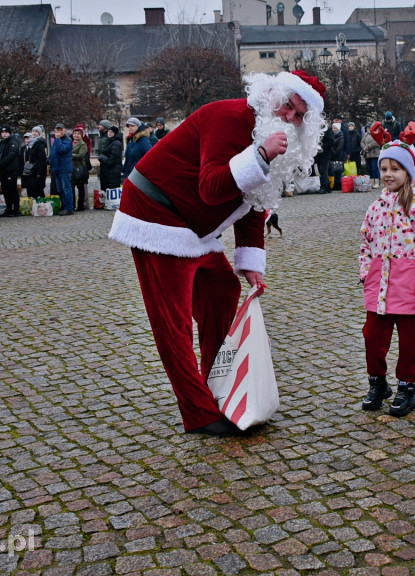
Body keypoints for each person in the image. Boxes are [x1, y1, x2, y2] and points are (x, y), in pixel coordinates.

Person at [108, 70, 326, 437]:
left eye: (299, 115)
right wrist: (260, 155)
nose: (290, 117)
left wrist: (251, 261)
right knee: (172, 321)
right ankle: (199, 413)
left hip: (194, 225)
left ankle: (219, 385)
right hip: (156, 213)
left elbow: (256, 201)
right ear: (273, 93)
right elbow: (211, 188)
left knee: (223, 289)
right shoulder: (229, 117)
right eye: (288, 105)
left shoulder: (267, 135)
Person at [358, 140, 415, 417]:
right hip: (379, 286)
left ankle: (407, 387)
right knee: (372, 337)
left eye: (395, 168)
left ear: (408, 171)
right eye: (384, 168)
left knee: (409, 343)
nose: (388, 174)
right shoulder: (375, 208)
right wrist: (366, 272)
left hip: (410, 288)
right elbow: (366, 242)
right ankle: (377, 382)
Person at [0, 125, 22, 217]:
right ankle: (9, 209)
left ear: (9, 133)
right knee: (5, 190)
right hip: (3, 170)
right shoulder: (2, 142)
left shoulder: (13, 141)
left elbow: (12, 155)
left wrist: (1, 163)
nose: (4, 134)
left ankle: (16, 209)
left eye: (6, 132)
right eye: (2, 132)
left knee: (12, 190)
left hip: (11, 169)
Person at [49, 123, 74, 215]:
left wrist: (58, 139)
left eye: (61, 130)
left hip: (65, 168)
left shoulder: (67, 140)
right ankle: (65, 206)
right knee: (60, 189)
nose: (59, 132)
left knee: (66, 188)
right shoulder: (56, 141)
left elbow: (61, 150)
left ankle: (69, 208)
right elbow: (53, 153)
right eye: (57, 130)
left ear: (64, 130)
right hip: (57, 168)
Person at [23, 125, 48, 199]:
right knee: (32, 189)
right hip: (32, 170)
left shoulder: (40, 144)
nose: (34, 133)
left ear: (39, 133)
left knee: (38, 189)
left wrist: (39, 172)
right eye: (33, 131)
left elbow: (41, 159)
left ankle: (41, 204)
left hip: (37, 170)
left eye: (36, 132)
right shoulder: (31, 143)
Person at [97, 125, 123, 191]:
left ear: (115, 133)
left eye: (112, 132)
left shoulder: (116, 143)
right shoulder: (108, 141)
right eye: (109, 131)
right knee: (106, 191)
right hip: (107, 172)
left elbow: (112, 160)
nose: (109, 133)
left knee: (111, 191)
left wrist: (102, 158)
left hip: (112, 173)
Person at [71, 125, 90, 211]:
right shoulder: (70, 143)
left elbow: (81, 155)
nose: (76, 135)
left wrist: (70, 155)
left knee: (80, 187)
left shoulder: (83, 144)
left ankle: (80, 205)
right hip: (71, 167)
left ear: (81, 135)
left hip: (79, 167)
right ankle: (72, 204)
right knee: (71, 187)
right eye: (75, 133)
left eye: (78, 134)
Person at [361, 122, 383, 189]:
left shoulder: (377, 133)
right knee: (369, 169)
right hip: (367, 154)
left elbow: (377, 142)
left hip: (375, 154)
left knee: (375, 168)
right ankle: (371, 182)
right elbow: (362, 142)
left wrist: (368, 146)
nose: (368, 129)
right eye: (367, 128)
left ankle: (377, 182)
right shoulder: (366, 134)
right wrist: (364, 147)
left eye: (369, 128)